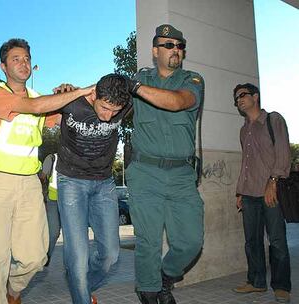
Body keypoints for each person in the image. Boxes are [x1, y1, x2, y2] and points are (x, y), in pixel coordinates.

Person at [0, 38, 94, 304]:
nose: (23, 63)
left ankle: (12, 291)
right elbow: (36, 109)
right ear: (3, 66)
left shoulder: (39, 98)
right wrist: (79, 92)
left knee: (36, 257)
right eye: (16, 59)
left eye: (26, 58)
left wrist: (66, 96)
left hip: (29, 185)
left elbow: (62, 116)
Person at [124, 24, 205, 304]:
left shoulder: (192, 80)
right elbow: (108, 101)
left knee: (191, 241)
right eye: (168, 45)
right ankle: (148, 291)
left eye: (179, 45)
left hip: (182, 174)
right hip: (145, 173)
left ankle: (165, 275)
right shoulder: (141, 78)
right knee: (148, 241)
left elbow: (177, 102)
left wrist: (135, 88)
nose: (175, 50)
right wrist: (77, 92)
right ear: (155, 50)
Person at [54, 74, 132, 304]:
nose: (108, 117)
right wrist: (66, 89)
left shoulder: (125, 105)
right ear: (94, 94)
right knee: (78, 257)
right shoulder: (72, 103)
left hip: (104, 183)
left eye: (115, 112)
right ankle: (81, 295)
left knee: (110, 255)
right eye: (105, 108)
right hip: (71, 182)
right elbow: (41, 105)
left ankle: (81, 287)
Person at [232, 83, 291, 303]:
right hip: (249, 193)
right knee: (252, 241)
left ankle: (282, 285)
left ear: (255, 97)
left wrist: (273, 182)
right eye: (236, 98)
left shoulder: (273, 120)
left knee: (276, 240)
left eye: (243, 95)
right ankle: (256, 282)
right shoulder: (243, 130)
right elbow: (246, 164)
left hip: (270, 191)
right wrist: (240, 191)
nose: (239, 100)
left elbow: (283, 153)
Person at [39, 153, 61, 266]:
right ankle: (46, 255)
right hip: (52, 201)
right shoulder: (52, 158)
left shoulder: (75, 158)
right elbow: (42, 177)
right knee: (53, 232)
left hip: (70, 203)